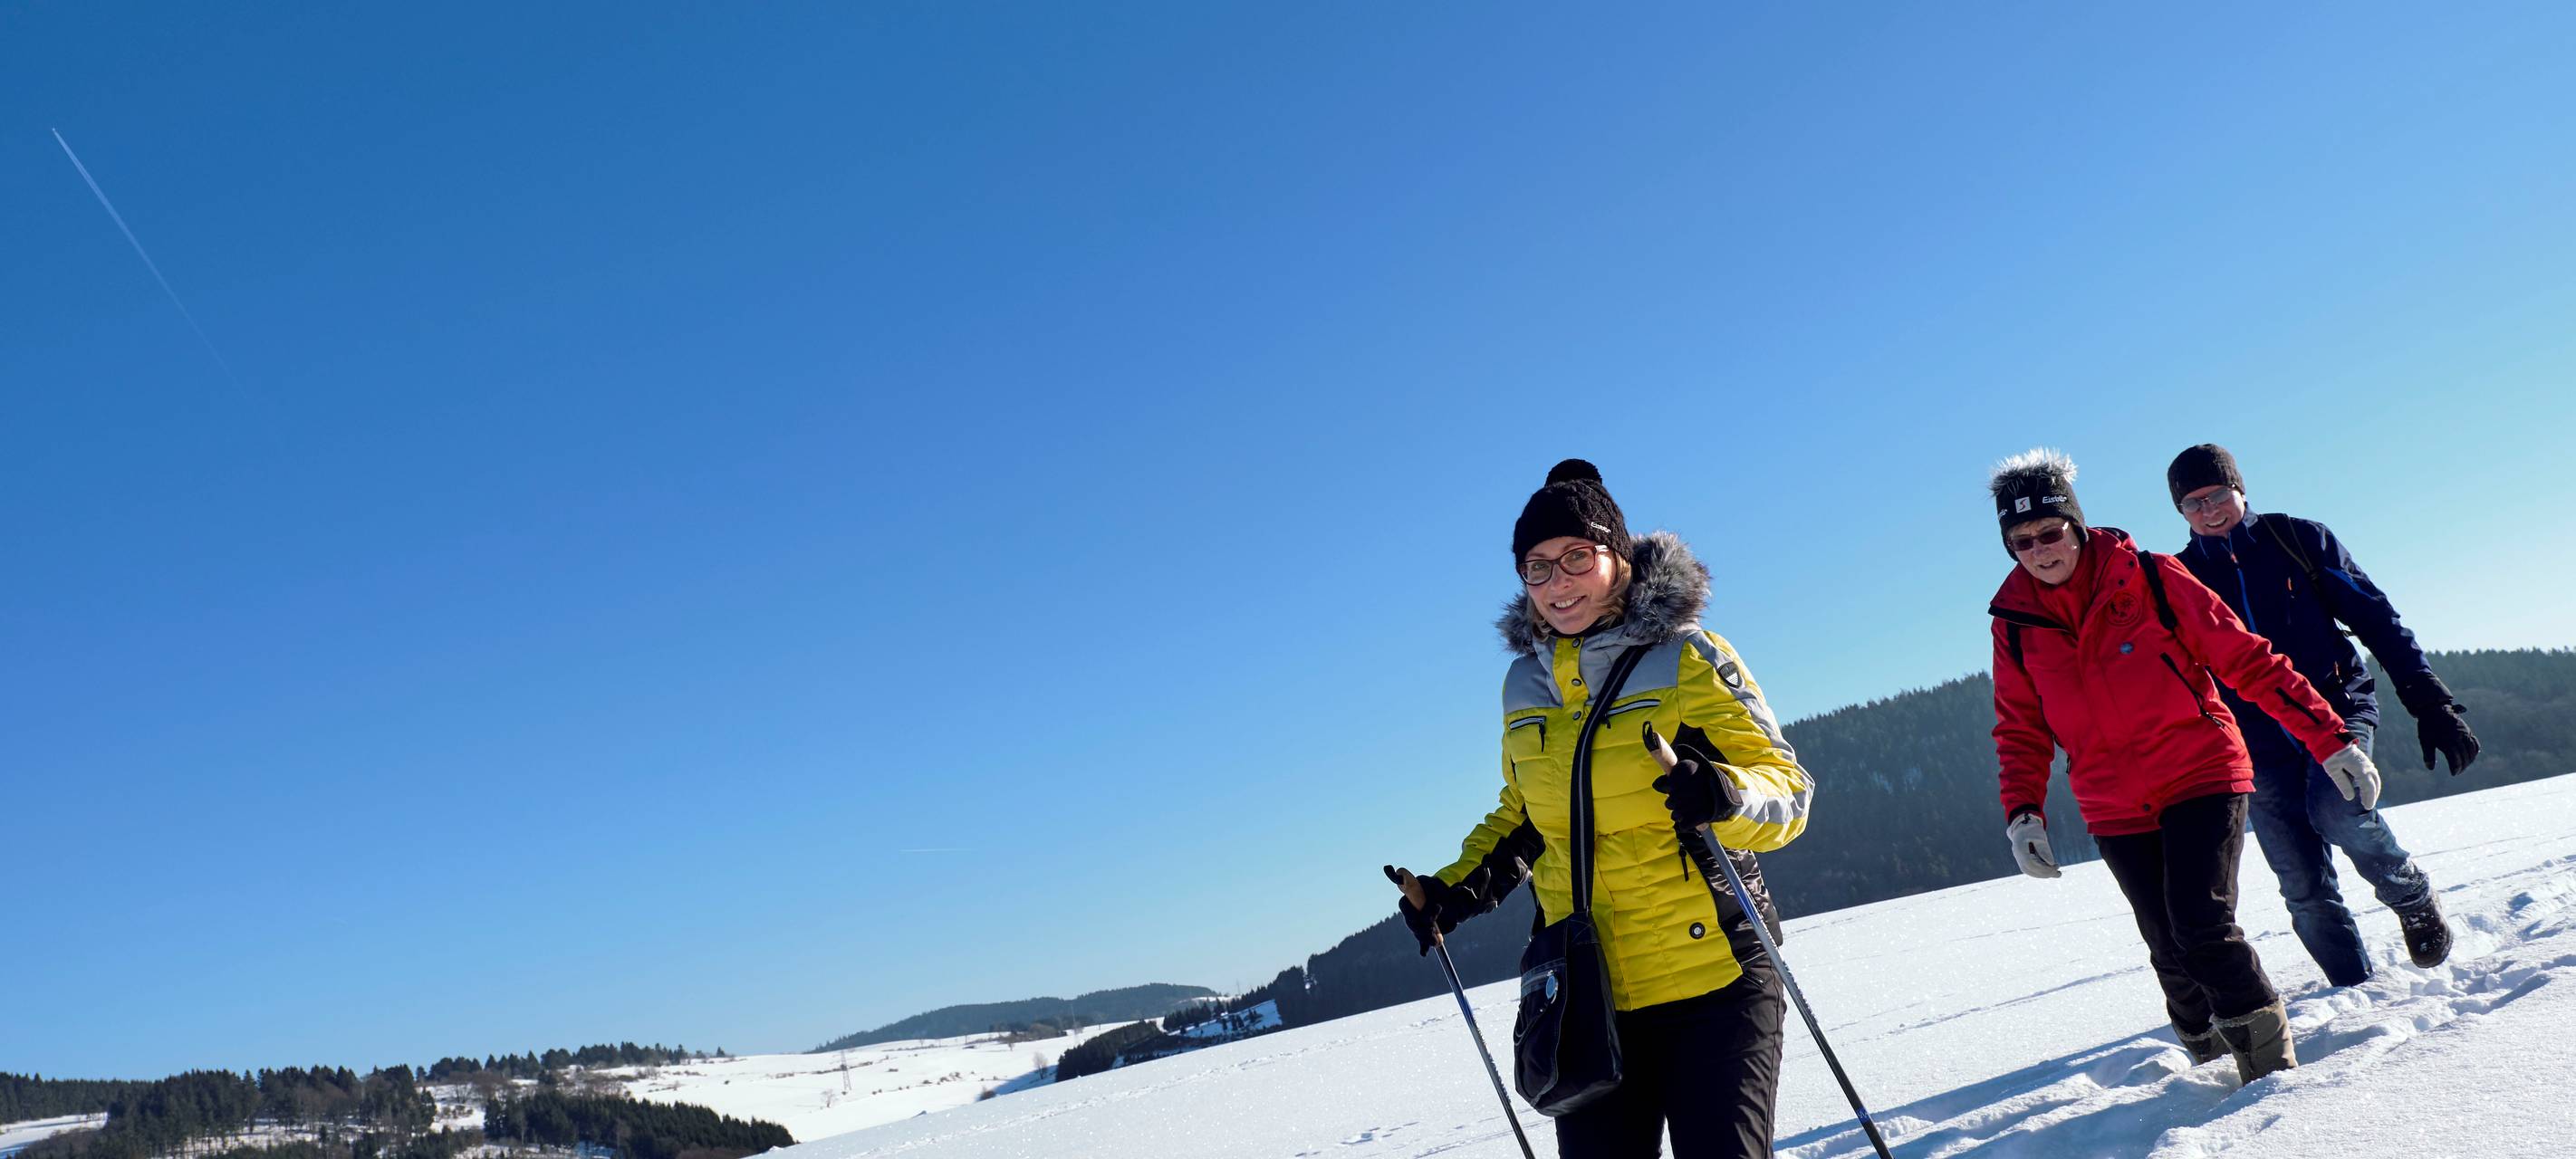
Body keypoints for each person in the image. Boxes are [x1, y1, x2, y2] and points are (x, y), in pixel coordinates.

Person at [1386, 459, 1813, 1159]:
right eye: (1538, 567)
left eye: (1576, 558)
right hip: (1589, 995)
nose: (1558, 583)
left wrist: (1725, 794)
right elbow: (1526, 816)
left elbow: (1788, 789)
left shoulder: (1686, 656)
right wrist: (1451, 892)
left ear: (1617, 556)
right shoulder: (1524, 685)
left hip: (1717, 981)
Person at [1984, 448, 2380, 1083]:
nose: (2038, 549)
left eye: (2050, 532)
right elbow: (2020, 727)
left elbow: (2249, 661)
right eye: (2021, 540)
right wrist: (2023, 812)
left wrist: (2330, 738)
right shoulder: (2015, 624)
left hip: (2200, 771)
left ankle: (2274, 1081)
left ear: (2077, 528)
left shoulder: (2151, 577)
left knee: (2201, 925)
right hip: (2111, 800)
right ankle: (2207, 1063)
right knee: (2168, 948)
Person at [2167, 443, 2474, 979]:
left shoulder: (2299, 540)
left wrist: (2430, 702)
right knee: (2302, 886)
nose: (2208, 510)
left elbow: (2377, 619)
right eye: (2192, 504)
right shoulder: (2179, 579)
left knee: (2336, 810)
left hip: (2338, 709)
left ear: (2239, 489)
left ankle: (2411, 895)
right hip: (2254, 741)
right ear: (2181, 513)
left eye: (2217, 495)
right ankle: (2352, 992)